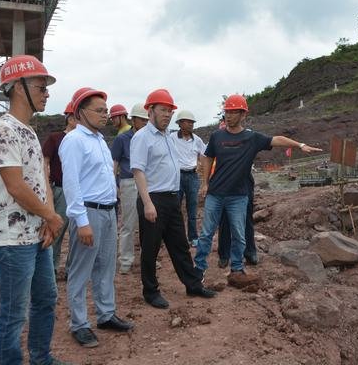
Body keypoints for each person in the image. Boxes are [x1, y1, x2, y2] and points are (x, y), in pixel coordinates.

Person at [0, 55, 69, 365]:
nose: (47, 93)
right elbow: (16, 186)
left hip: (36, 233)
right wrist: (52, 216)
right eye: (41, 87)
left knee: (46, 299)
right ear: (19, 87)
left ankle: (41, 358)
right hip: (12, 238)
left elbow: (41, 179)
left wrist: (48, 219)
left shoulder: (29, 131)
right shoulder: (2, 130)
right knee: (13, 312)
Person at [194, 94, 322, 286]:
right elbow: (208, 157)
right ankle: (199, 269)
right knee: (206, 234)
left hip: (238, 196)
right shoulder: (217, 136)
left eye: (233, 112)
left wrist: (300, 145)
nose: (228, 115)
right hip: (216, 194)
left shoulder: (251, 138)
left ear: (243, 114)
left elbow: (276, 139)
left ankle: (237, 269)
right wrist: (205, 183)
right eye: (227, 111)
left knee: (239, 234)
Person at [60, 87, 133, 348]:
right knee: (81, 270)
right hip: (89, 212)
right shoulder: (74, 141)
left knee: (106, 266)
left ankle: (106, 314)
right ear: (81, 112)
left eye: (106, 110)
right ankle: (79, 324)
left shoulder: (100, 140)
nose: (105, 115)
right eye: (99, 110)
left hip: (108, 211)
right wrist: (81, 222)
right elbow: (71, 184)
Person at [131, 89, 216, 309]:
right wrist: (147, 203)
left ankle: (193, 284)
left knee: (180, 245)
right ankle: (151, 291)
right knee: (150, 248)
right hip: (153, 199)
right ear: (150, 111)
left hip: (171, 198)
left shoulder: (168, 136)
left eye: (170, 111)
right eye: (163, 110)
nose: (167, 115)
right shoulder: (142, 137)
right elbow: (138, 171)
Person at [111, 103, 149, 274]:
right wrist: (114, 184)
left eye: (147, 120)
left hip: (148, 182)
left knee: (148, 222)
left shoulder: (149, 137)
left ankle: (149, 258)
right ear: (133, 120)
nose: (145, 123)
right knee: (128, 223)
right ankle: (126, 260)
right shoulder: (122, 139)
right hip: (129, 182)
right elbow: (115, 163)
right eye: (142, 119)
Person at [42, 101, 77, 280]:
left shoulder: (83, 140)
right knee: (58, 229)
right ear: (70, 119)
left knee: (77, 233)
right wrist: (46, 184)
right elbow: (45, 162)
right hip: (62, 189)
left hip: (80, 192)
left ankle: (72, 268)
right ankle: (52, 267)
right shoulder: (55, 138)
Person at [171, 109, 207, 247]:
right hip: (177, 176)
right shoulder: (172, 138)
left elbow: (204, 157)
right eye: (188, 122)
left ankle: (193, 237)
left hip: (192, 176)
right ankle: (176, 237)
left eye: (192, 122)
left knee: (192, 208)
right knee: (175, 208)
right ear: (180, 123)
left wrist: (205, 179)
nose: (191, 124)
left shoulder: (197, 140)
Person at [217, 173, 256, 268]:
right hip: (225, 178)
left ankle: (250, 251)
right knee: (224, 218)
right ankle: (224, 255)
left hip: (244, 178)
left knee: (247, 216)